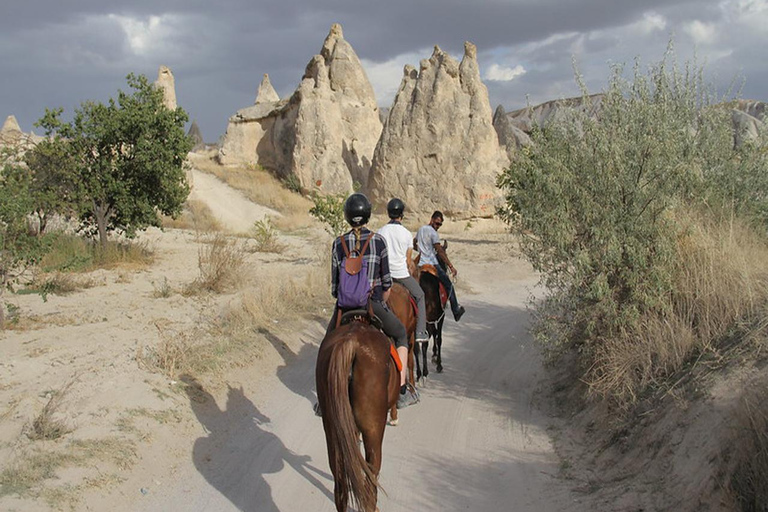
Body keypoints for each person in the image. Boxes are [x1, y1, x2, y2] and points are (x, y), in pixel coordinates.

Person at [327, 193, 418, 409]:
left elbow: (334, 288)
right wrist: (380, 299)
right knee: (401, 334)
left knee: (327, 345)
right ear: (368, 215)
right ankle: (403, 389)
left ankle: (324, 399)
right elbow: (387, 283)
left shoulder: (338, 243)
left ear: (348, 217)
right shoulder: (378, 241)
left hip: (344, 309)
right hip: (372, 305)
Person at [376, 198, 429, 347]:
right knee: (420, 296)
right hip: (401, 275)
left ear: (388, 213)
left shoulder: (380, 232)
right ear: (401, 215)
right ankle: (420, 332)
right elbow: (407, 261)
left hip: (384, 275)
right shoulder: (406, 234)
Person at [415, 210, 466, 322]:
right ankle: (456, 311)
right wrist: (451, 266)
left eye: (440, 225)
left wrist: (421, 250)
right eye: (437, 223)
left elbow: (414, 243)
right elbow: (440, 252)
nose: (438, 226)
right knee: (449, 286)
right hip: (432, 264)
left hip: (420, 265)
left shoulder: (421, 229)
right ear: (432, 219)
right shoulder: (433, 233)